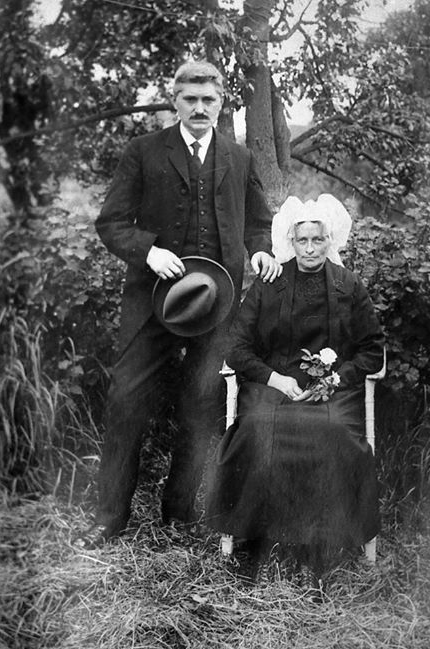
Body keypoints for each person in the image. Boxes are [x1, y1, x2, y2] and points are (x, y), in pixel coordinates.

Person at [78, 60, 282, 549]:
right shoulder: (144, 151)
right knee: (125, 402)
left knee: (200, 406)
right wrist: (148, 251)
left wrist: (260, 251)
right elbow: (111, 223)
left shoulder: (238, 157)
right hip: (152, 303)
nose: (199, 108)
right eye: (190, 99)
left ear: (221, 103)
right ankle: (109, 518)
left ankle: (178, 513)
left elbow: (258, 223)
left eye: (208, 99)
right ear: (175, 101)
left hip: (217, 304)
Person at [205, 194, 385, 587]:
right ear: (290, 241)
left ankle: (323, 541)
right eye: (302, 240)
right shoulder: (270, 283)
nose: (310, 249)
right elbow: (236, 347)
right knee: (258, 428)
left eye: (317, 240)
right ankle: (257, 535)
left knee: (334, 431)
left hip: (332, 390)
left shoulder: (348, 285)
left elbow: (373, 349)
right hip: (274, 385)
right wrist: (275, 379)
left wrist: (335, 380)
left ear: (330, 240)